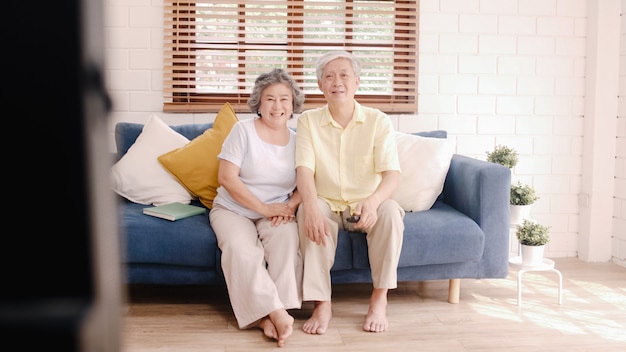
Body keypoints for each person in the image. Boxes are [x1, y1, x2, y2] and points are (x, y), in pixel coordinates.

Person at [295, 50, 405, 334]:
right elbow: (304, 171)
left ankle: (379, 300)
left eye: (344, 75)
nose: (337, 82)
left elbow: (392, 174)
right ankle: (322, 303)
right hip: (327, 202)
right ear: (320, 86)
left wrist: (373, 201)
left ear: (356, 82)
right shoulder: (308, 121)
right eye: (329, 76)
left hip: (366, 204)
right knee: (310, 209)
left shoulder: (378, 120)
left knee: (391, 212)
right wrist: (309, 204)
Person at [209, 68, 305, 347]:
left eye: (284, 99)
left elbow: (306, 181)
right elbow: (226, 178)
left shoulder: (300, 139)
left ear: (293, 104)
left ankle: (275, 315)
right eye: (270, 99)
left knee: (287, 240)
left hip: (277, 210)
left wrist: (289, 206)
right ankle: (276, 313)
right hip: (233, 209)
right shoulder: (243, 130)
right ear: (259, 103)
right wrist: (263, 208)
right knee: (241, 249)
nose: (277, 106)